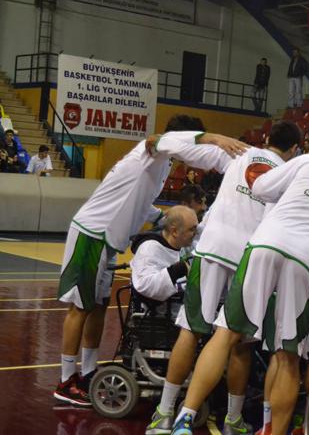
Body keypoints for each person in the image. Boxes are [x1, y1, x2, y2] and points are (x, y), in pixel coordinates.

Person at [171, 140, 309, 435]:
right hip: (307, 261)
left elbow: (261, 187)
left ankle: (184, 418)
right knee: (288, 356)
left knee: (226, 334)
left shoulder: (307, 162)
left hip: (266, 244)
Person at [54, 115, 247, 407]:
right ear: (181, 140)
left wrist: (167, 220)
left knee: (97, 307)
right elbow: (154, 139)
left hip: (109, 240)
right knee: (80, 308)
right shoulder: (149, 152)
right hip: (92, 232)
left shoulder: (162, 165)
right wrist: (213, 138)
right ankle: (67, 380)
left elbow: (142, 205)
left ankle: (89, 371)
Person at [146, 122, 301, 435]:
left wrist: (210, 136)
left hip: (213, 248)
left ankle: (165, 414)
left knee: (190, 330)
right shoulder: (292, 174)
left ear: (267, 139)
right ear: (295, 149)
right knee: (240, 343)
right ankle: (232, 419)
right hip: (250, 258)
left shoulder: (238, 152)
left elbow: (175, 147)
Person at [129, 205, 197, 302]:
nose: (195, 233)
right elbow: (144, 285)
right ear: (175, 231)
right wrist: (177, 270)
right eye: (192, 229)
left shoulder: (182, 244)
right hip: (160, 312)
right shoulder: (149, 249)